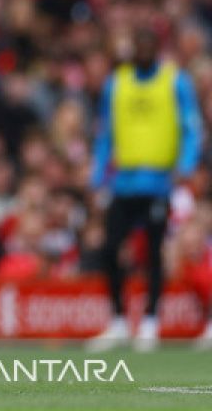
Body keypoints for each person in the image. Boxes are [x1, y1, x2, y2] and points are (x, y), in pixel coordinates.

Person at [88, 27, 202, 352]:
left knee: (153, 253)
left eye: (148, 43)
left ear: (157, 48)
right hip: (123, 181)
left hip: (158, 182)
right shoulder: (117, 82)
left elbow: (191, 127)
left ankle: (151, 321)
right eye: (139, 43)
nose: (143, 49)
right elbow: (105, 134)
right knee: (110, 248)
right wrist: (98, 176)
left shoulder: (174, 80)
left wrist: (187, 163)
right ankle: (119, 321)